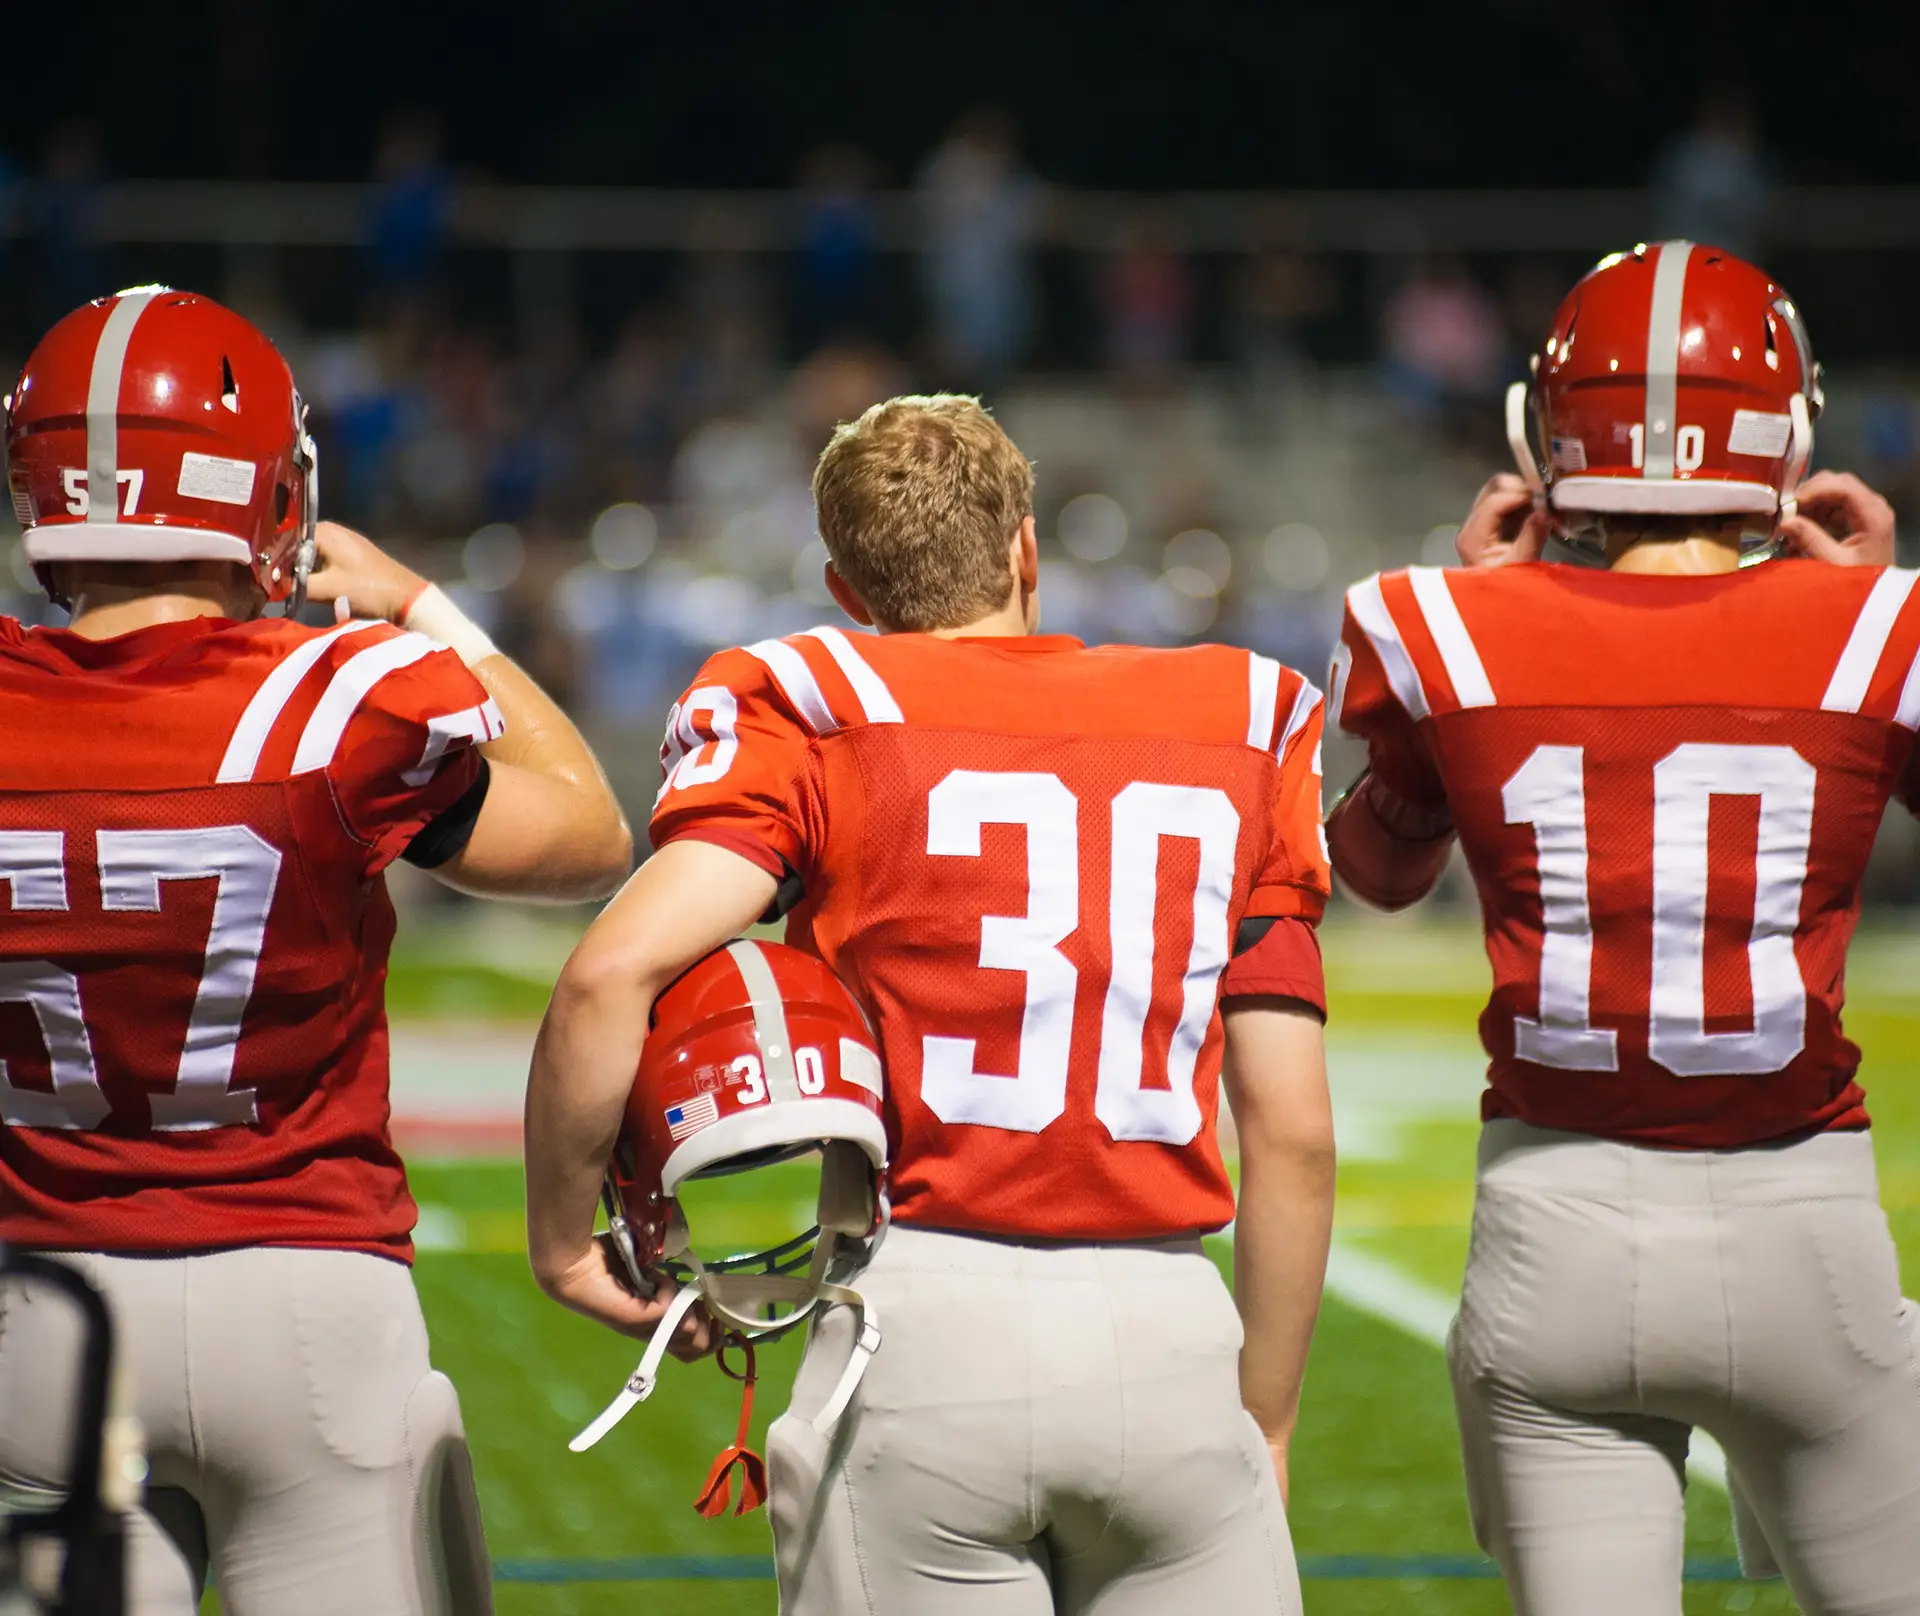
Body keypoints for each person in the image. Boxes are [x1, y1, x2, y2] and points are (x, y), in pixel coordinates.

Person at [525, 394, 1336, 1614]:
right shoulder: (1243, 721)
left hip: (922, 1321)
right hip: (1173, 1331)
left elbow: (606, 974)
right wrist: (1261, 1422)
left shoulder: (821, 703)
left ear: (850, 595)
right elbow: (1295, 1131)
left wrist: (565, 1248)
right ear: (1027, 550)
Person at [0, 287, 632, 1616]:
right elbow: (585, 830)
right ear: (267, 499)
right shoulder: (332, 700)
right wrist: (416, 603)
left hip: (38, 1309)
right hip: (301, 1302)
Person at [1329, 241, 1920, 1616]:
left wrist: (1479, 614)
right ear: (1787, 432)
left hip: (1559, 1226)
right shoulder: (1882, 633)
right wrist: (1861, 601)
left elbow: (1380, 868)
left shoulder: (1436, 625)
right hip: (1802, 1228)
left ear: (1556, 432)